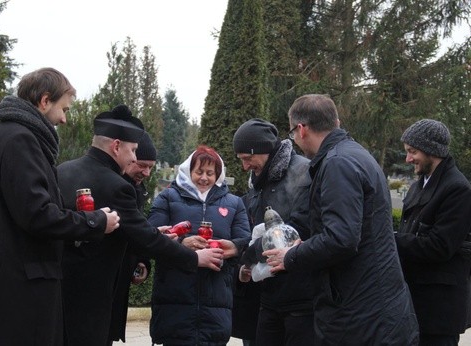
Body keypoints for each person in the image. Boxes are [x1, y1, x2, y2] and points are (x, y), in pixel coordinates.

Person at [0, 68, 120, 346]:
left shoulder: (9, 135)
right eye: (63, 109)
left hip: (9, 289)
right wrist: (95, 222)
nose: (65, 119)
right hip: (17, 294)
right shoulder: (21, 140)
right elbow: (37, 214)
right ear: (44, 101)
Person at [57, 106, 223, 346]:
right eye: (133, 150)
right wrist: (194, 258)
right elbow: (145, 238)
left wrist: (154, 233)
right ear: (116, 146)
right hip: (92, 295)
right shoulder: (117, 185)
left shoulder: (62, 170)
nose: (135, 158)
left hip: (57, 288)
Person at [265, 94, 419, 345]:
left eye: (293, 133)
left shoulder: (337, 163)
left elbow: (342, 238)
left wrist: (291, 255)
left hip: (361, 315)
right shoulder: (354, 154)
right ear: (335, 121)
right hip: (374, 308)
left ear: (301, 129)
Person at [147, 145, 251, 345]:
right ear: (188, 171)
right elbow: (151, 236)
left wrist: (232, 248)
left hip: (216, 301)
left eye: (210, 173)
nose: (204, 178)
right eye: (199, 172)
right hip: (174, 298)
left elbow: (245, 241)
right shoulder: (168, 198)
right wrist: (181, 243)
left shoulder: (234, 203)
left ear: (218, 175)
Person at [232, 118, 315, 346]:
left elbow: (298, 229)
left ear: (265, 150)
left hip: (300, 299)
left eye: (248, 159)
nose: (245, 167)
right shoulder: (259, 179)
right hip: (267, 296)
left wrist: (249, 254)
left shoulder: (304, 173)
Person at [395, 119, 471, 346]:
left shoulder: (457, 189)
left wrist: (391, 240)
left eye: (413, 152)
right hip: (416, 303)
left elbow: (440, 246)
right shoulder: (421, 184)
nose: (408, 159)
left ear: (432, 151)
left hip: (438, 310)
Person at [107, 131, 157, 345]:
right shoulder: (116, 187)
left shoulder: (138, 190)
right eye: (142, 165)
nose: (146, 173)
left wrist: (141, 262)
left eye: (151, 168)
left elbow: (138, 234)